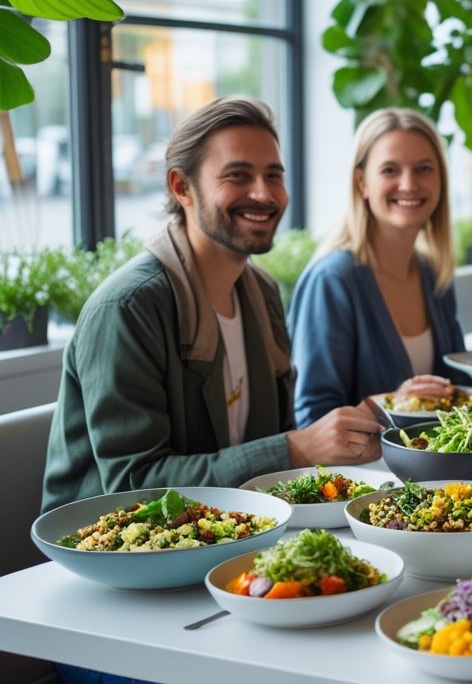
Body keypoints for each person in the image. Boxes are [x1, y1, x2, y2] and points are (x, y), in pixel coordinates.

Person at [42, 96, 384, 513]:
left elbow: (279, 446)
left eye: (274, 175)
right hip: (111, 557)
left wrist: (365, 422)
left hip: (233, 535)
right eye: (238, 175)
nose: (263, 193)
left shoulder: (262, 293)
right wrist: (295, 450)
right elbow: (134, 485)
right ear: (181, 187)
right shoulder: (128, 307)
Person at [288, 109, 465, 428]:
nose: (409, 184)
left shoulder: (433, 273)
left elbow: (457, 388)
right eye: (390, 170)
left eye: (424, 169)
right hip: (363, 476)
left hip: (436, 473)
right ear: (362, 183)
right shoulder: (333, 280)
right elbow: (311, 418)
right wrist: (393, 404)